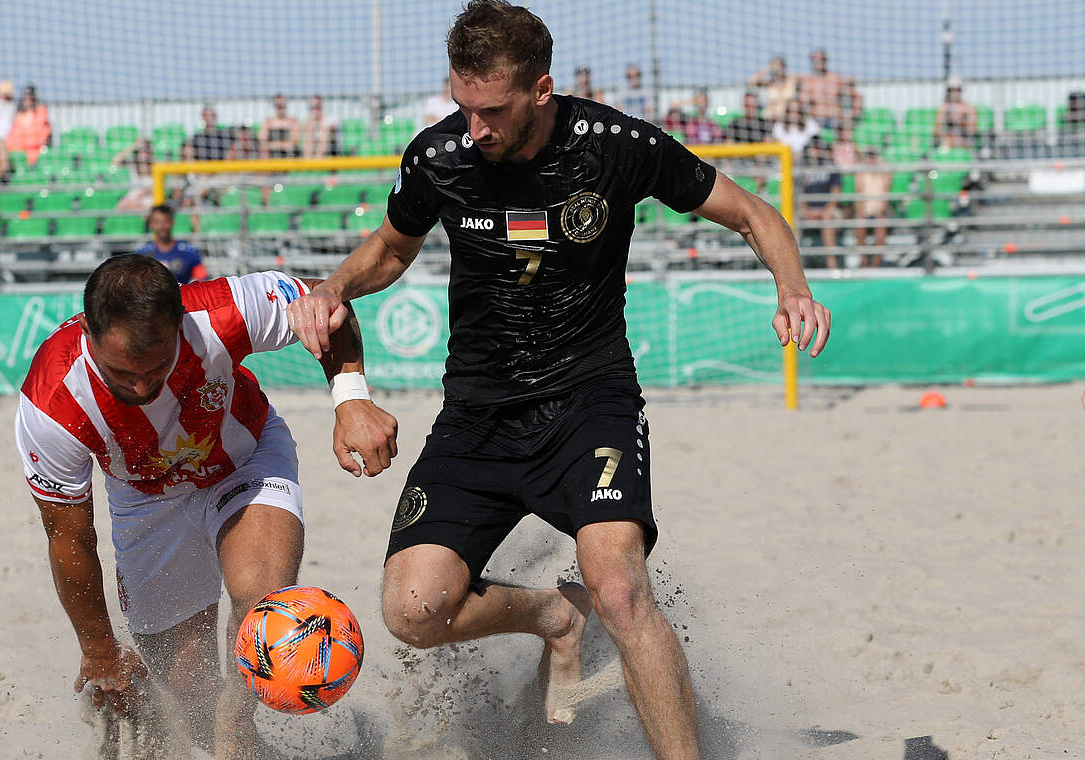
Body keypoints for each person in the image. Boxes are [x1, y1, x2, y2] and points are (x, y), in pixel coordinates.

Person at [284, 3, 831, 759]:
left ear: (540, 90)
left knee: (618, 586)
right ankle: (552, 614)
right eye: (461, 105)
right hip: (476, 415)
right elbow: (391, 246)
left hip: (589, 401)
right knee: (413, 610)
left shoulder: (618, 146)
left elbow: (751, 214)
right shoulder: (438, 156)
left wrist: (792, 286)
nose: (474, 126)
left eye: (491, 109)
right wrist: (335, 287)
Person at [14, 255, 397, 758]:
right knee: (190, 700)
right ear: (89, 330)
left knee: (262, 603)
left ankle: (235, 728)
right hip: (145, 500)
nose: (141, 386)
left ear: (180, 325)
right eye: (121, 372)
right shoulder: (51, 402)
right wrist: (99, 649)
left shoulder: (219, 312)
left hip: (244, 461)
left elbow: (325, 304)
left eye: (156, 367)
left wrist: (350, 399)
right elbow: (70, 539)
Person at [797, 136, 842, 268]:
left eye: (816, 148)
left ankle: (831, 262)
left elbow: (836, 193)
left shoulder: (831, 167)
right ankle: (795, 263)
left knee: (827, 218)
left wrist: (825, 210)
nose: (814, 151)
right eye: (812, 148)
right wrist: (806, 210)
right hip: (808, 209)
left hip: (828, 209)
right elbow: (799, 194)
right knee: (791, 219)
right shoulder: (802, 169)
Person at [136, 204, 207, 283]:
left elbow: (202, 279)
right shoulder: (142, 254)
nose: (161, 226)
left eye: (165, 221)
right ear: (151, 224)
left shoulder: (189, 252)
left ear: (172, 222)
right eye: (157, 222)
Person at [798, 48, 861, 128]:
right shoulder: (808, 82)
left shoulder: (835, 79)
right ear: (812, 61)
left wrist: (853, 115)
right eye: (816, 60)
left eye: (822, 59)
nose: (819, 62)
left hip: (836, 121)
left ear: (826, 60)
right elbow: (802, 104)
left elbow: (857, 97)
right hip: (816, 123)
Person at [851, 147, 889, 267]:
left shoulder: (883, 173)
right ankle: (863, 259)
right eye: (869, 157)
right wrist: (861, 212)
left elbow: (885, 196)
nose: (871, 160)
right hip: (865, 210)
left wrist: (879, 212)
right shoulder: (861, 173)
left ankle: (876, 261)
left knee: (881, 224)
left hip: (879, 211)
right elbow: (859, 195)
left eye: (873, 157)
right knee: (860, 223)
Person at [5, 84, 51, 164]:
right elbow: (13, 136)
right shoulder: (19, 115)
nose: (28, 100)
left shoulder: (40, 111)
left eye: (30, 98)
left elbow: (42, 135)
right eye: (26, 98)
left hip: (36, 153)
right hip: (18, 153)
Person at [749, 55, 798, 123]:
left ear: (784, 67)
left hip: (786, 120)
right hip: (769, 119)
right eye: (775, 66)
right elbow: (752, 81)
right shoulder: (770, 83)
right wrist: (768, 68)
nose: (778, 69)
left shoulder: (792, 80)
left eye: (780, 65)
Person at [934, 77, 977, 150]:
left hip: (964, 140)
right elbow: (937, 130)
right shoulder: (943, 107)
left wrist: (961, 121)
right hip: (947, 139)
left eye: (957, 90)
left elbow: (972, 130)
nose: (954, 93)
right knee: (945, 142)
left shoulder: (969, 108)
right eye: (951, 90)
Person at [259, 94, 300, 159]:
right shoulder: (267, 122)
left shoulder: (293, 121)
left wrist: (272, 145)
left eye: (282, 105)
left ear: (286, 105)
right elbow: (263, 144)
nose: (280, 108)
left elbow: (292, 145)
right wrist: (283, 145)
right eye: (278, 105)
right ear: (274, 106)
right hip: (271, 158)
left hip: (289, 158)